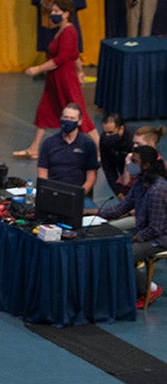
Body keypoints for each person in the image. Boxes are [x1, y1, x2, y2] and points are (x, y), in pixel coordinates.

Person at [15, 0, 96, 160]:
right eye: (52, 11)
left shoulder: (69, 31)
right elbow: (75, 54)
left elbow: (61, 59)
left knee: (79, 113)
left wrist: (38, 69)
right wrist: (80, 71)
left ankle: (100, 147)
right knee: (45, 111)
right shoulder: (61, 29)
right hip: (55, 79)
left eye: (57, 11)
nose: (53, 14)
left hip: (65, 79)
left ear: (66, 14)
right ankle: (34, 148)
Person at [92, 146, 167, 307]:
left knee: (123, 253)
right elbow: (120, 208)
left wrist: (133, 238)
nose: (130, 165)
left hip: (160, 238)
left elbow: (156, 228)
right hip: (145, 230)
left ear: (146, 165)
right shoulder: (141, 182)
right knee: (110, 240)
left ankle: (151, 289)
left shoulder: (157, 191)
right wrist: (92, 212)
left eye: (134, 162)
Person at [36, 102, 99, 208]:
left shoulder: (88, 145)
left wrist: (80, 194)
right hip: (53, 194)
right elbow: (42, 173)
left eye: (72, 118)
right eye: (65, 117)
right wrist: (48, 193)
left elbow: (91, 176)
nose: (68, 121)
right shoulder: (48, 143)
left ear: (79, 121)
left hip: (78, 195)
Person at [100, 114, 135, 200]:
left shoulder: (134, 140)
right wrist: (118, 192)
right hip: (123, 175)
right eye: (105, 132)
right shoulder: (104, 140)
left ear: (121, 129)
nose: (107, 136)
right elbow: (108, 168)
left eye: (111, 132)